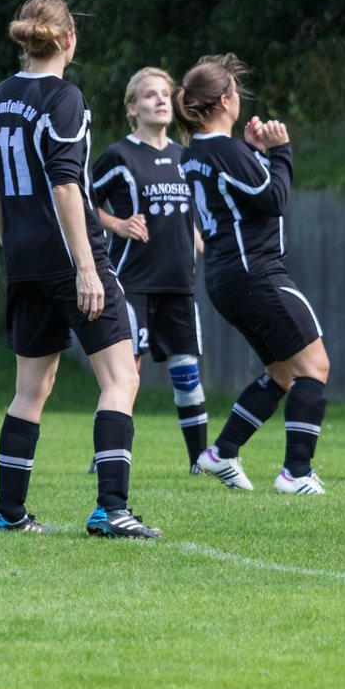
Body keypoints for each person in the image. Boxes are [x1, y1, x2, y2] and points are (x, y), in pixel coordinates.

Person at [0, 0, 161, 538]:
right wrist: (85, 266)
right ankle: (111, 509)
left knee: (32, 388)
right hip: (69, 256)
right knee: (121, 376)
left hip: (26, 260)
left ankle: (8, 514)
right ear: (69, 40)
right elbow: (65, 183)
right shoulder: (65, 97)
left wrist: (17, 246)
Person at [176, 54, 330, 495]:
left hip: (226, 278)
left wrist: (256, 154)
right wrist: (281, 151)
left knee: (283, 373)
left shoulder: (198, 152)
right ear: (226, 100)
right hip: (256, 273)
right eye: (236, 92)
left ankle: (222, 451)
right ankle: (295, 473)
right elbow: (274, 198)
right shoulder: (225, 150)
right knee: (314, 367)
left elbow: (243, 194)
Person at [92, 67, 210, 474]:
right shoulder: (119, 156)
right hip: (132, 284)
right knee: (128, 373)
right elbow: (83, 204)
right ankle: (105, 452)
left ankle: (200, 460)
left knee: (186, 372)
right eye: (149, 95)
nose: (160, 100)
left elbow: (192, 208)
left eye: (165, 93)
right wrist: (118, 224)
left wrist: (197, 234)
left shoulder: (185, 156)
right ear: (132, 107)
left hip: (179, 284)